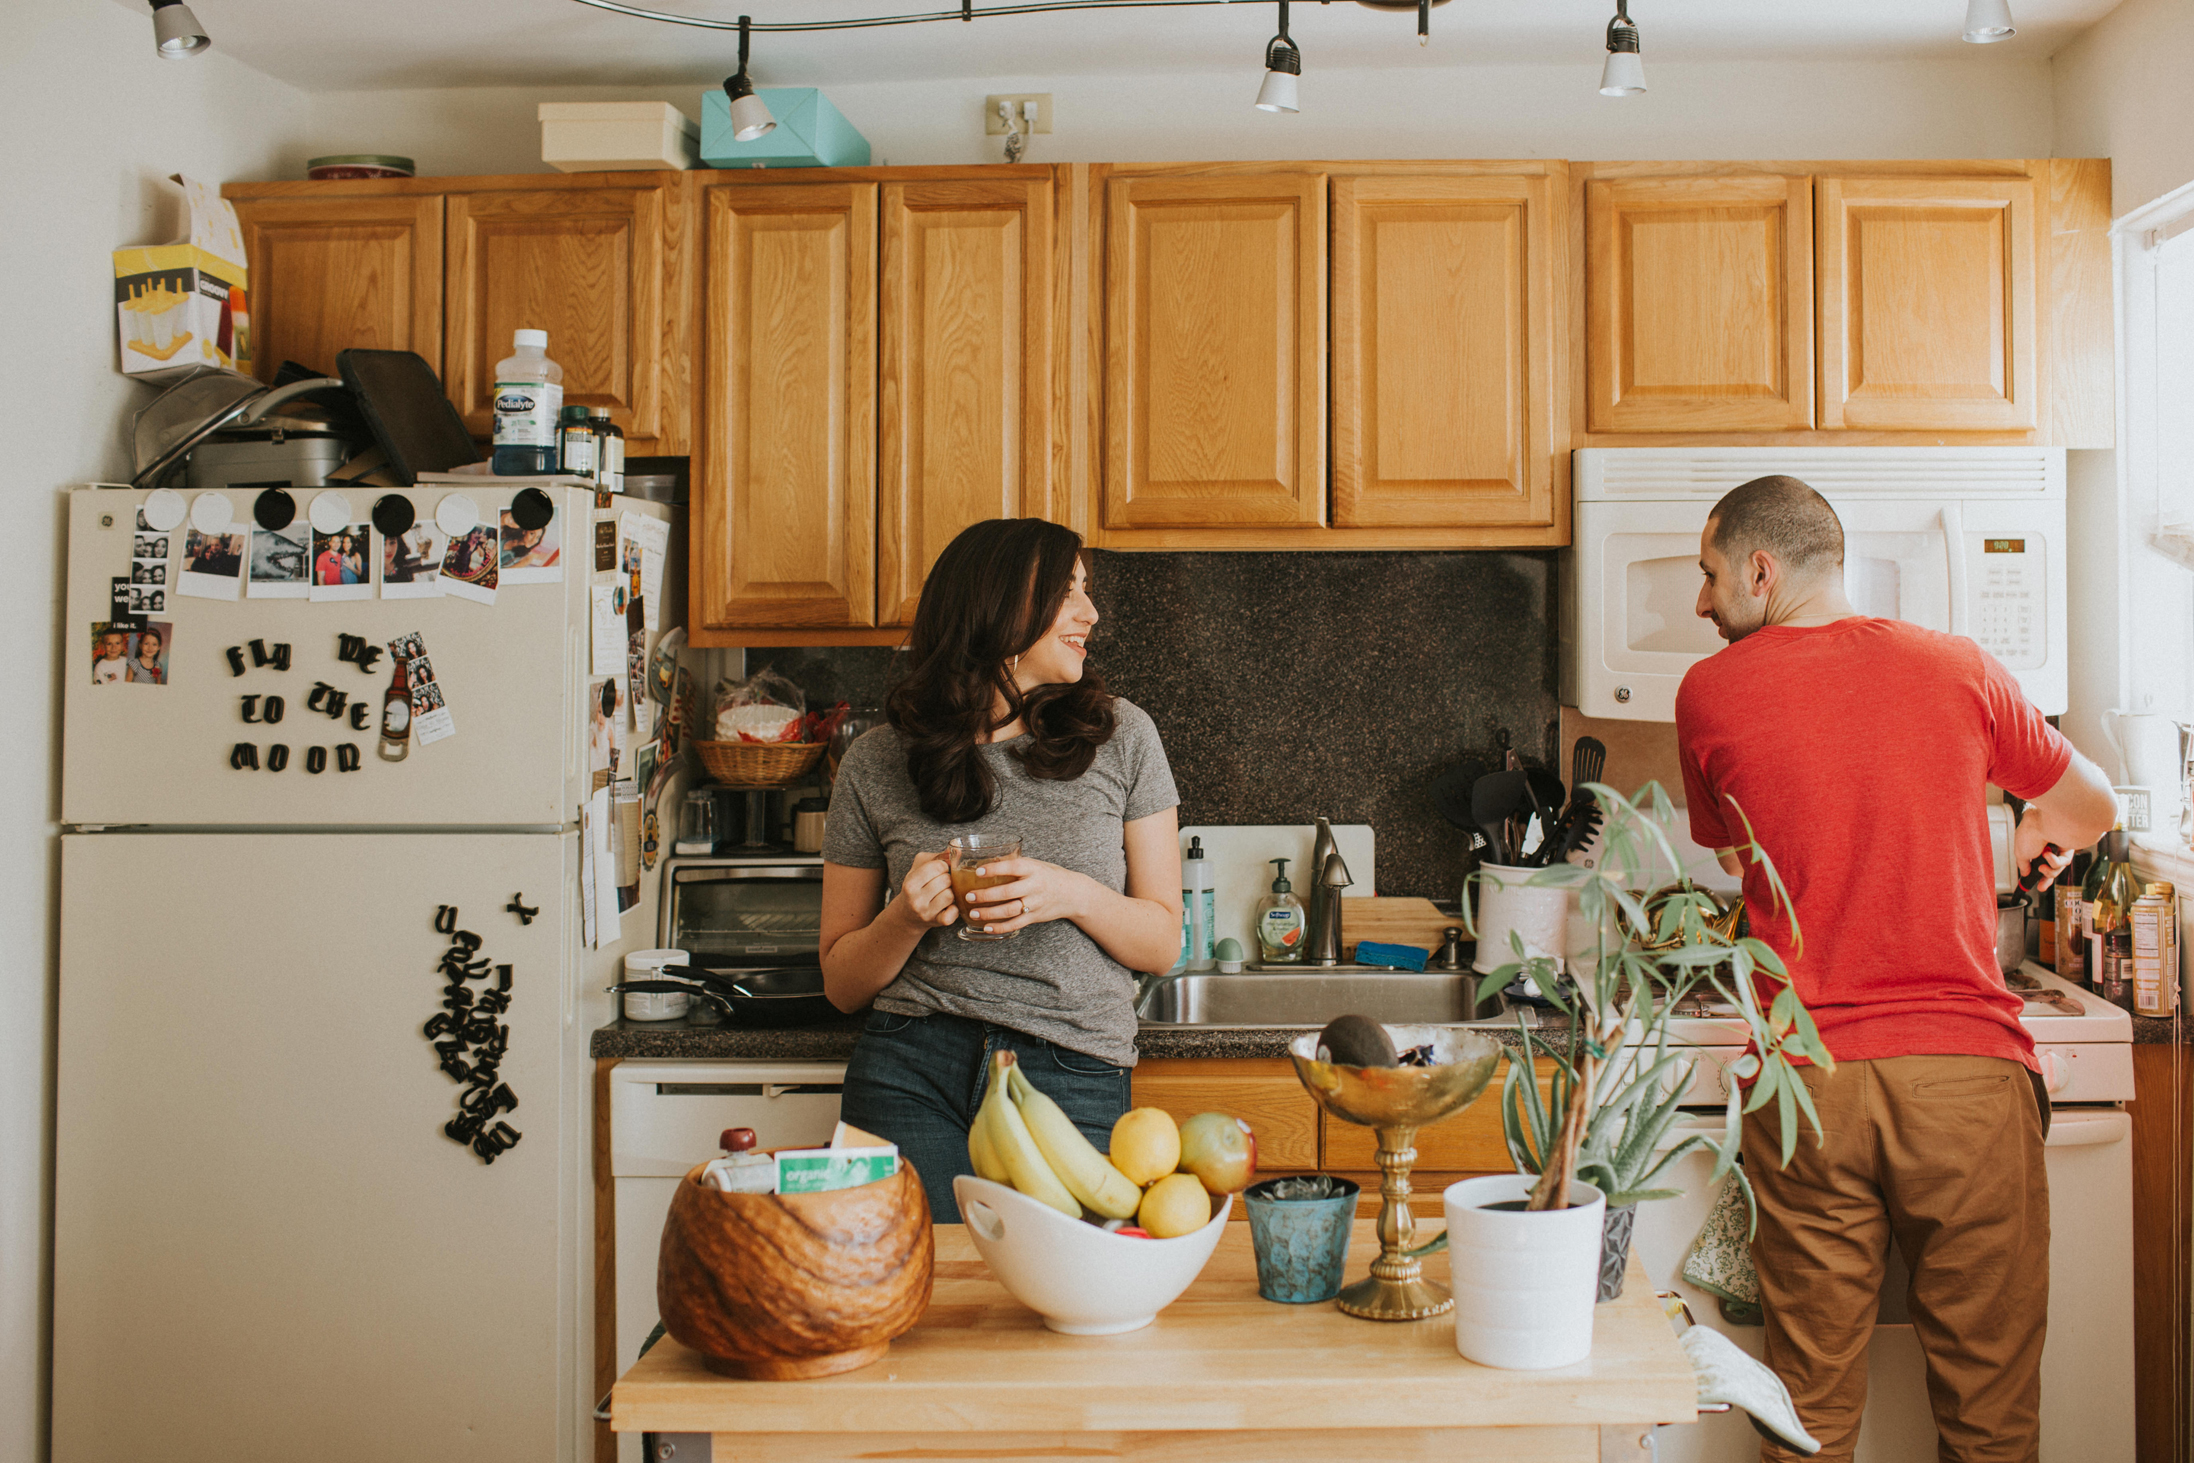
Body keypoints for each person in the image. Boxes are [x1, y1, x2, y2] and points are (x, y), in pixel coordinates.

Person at [1675, 475, 2117, 1463]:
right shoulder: (1958, 667)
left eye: (1707, 575)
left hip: (1808, 1087)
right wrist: (2038, 823)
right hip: (1966, 1077)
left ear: (1759, 567)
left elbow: (1741, 858)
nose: (1699, 602)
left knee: (1809, 1414)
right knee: (1990, 1416)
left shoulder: (1709, 691)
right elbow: (2095, 805)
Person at [819, 518, 1183, 1223]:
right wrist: (905, 916)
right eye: (1067, 592)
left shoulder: (1124, 737)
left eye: (1087, 590)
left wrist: (1071, 892)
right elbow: (840, 983)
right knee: (915, 1301)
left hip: (1071, 1068)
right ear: (999, 605)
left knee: (1061, 1309)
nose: (1091, 613)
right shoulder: (876, 760)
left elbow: (1163, 942)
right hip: (908, 1067)